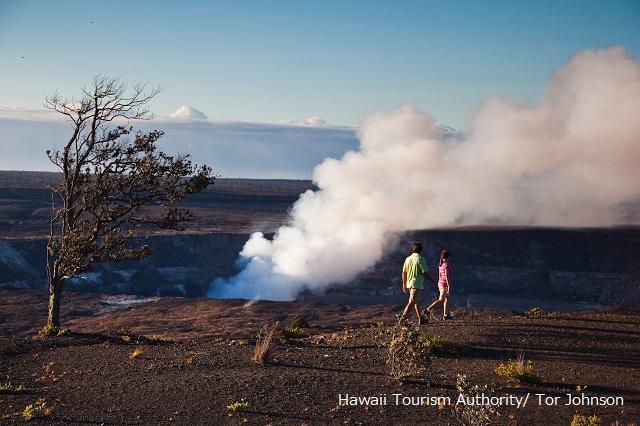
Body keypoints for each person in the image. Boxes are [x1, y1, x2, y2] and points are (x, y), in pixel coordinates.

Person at [399, 242, 436, 325]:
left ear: (413, 249)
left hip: (409, 283)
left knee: (417, 302)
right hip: (416, 284)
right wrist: (433, 281)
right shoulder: (420, 259)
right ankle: (402, 320)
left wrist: (404, 285)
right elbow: (425, 272)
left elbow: (403, 272)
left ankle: (421, 319)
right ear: (421, 250)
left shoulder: (407, 259)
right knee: (412, 302)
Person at [426, 249, 453, 320]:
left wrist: (438, 284)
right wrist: (449, 286)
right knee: (441, 299)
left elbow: (440, 275)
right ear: (448, 257)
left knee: (447, 298)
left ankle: (445, 315)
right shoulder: (446, 265)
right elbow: (447, 277)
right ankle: (427, 310)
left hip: (440, 283)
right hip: (444, 284)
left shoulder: (440, 264)